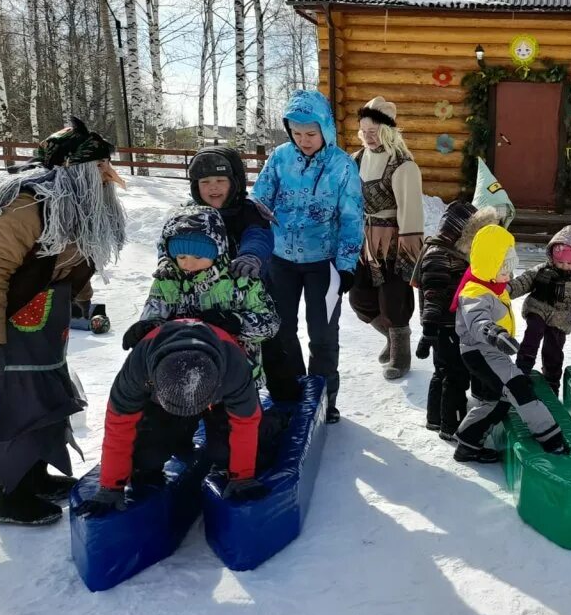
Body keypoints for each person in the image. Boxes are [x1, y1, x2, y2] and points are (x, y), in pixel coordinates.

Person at [0, 118, 126, 525]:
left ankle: (34, 476)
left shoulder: (78, 207)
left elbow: (67, 262)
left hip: (36, 322)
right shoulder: (26, 205)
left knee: (42, 398)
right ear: (72, 169)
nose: (108, 174)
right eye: (100, 166)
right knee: (16, 403)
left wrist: (83, 302)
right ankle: (10, 496)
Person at [251, 90, 364, 423]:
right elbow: (259, 203)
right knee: (281, 329)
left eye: (310, 134)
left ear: (325, 129)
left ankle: (324, 397)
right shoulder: (280, 158)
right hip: (280, 260)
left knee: (323, 334)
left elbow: (352, 217)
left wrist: (346, 266)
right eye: (296, 133)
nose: (304, 140)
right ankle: (296, 388)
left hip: (324, 263)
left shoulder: (342, 166)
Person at [77, 320, 269, 516]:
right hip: (163, 399)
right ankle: (175, 433)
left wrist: (242, 476)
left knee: (226, 454)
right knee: (145, 459)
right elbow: (119, 425)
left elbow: (245, 422)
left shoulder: (234, 367)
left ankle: (273, 423)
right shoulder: (137, 370)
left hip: (217, 399)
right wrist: (111, 487)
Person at [123, 206, 279, 385]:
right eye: (181, 256)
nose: (189, 264)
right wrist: (145, 329)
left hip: (235, 376)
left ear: (217, 250)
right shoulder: (168, 281)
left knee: (238, 412)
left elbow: (270, 324)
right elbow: (155, 315)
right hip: (179, 374)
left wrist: (238, 322)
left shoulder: (241, 280)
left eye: (198, 256)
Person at [451, 224, 568, 461]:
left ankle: (467, 443)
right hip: (481, 350)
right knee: (518, 388)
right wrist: (495, 334)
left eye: (510, 268)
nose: (509, 275)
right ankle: (551, 438)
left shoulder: (492, 284)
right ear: (489, 264)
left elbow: (514, 287)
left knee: (499, 399)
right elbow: (477, 319)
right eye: (505, 269)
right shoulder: (474, 291)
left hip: (490, 351)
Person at [349, 97, 425, 380]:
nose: (368, 137)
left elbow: (411, 209)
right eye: (364, 131)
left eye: (374, 131)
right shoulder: (355, 160)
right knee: (360, 299)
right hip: (363, 243)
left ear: (388, 130)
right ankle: (393, 340)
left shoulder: (402, 165)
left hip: (393, 243)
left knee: (393, 300)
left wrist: (410, 254)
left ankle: (401, 354)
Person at [416, 202, 499, 434]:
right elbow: (433, 294)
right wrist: (429, 331)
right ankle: (452, 425)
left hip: (452, 325)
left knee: (443, 372)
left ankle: (435, 417)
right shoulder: (439, 255)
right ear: (460, 231)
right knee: (454, 376)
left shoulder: (450, 251)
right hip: (445, 326)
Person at [508, 224, 571, 394]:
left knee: (553, 350)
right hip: (537, 309)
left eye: (569, 263)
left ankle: (552, 380)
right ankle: (523, 367)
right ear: (552, 258)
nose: (564, 266)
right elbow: (524, 281)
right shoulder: (542, 270)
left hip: (561, 319)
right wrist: (509, 289)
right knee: (534, 332)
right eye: (560, 262)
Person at [182, 145, 273, 278]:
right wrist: (167, 260)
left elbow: (258, 237)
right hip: (200, 290)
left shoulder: (249, 211)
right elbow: (173, 241)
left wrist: (251, 255)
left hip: (246, 285)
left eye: (220, 180)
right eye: (205, 182)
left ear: (236, 183)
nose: (213, 187)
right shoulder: (189, 214)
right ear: (196, 187)